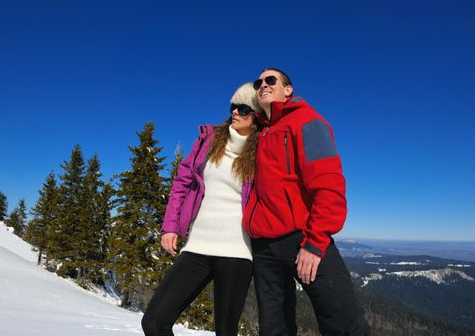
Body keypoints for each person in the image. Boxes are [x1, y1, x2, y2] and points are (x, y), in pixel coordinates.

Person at [243, 68, 370, 335]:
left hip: (302, 237)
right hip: (264, 246)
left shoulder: (307, 121)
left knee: (342, 320)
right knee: (274, 327)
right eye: (258, 82)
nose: (262, 85)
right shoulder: (259, 133)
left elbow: (328, 182)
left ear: (288, 90)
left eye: (270, 80)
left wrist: (315, 241)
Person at [141, 82, 262, 336]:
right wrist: (171, 226)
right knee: (154, 322)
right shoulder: (209, 140)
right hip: (198, 246)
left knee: (225, 332)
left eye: (243, 109)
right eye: (233, 107)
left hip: (237, 252)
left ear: (257, 117)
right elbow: (182, 182)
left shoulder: (263, 150)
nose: (235, 113)